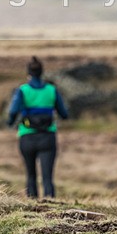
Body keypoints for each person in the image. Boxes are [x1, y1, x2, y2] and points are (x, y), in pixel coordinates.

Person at [6, 56, 69, 198]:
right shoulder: (52, 90)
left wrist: (10, 123)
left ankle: (32, 206)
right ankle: (51, 206)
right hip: (48, 137)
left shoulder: (22, 90)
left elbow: (13, 111)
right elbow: (64, 113)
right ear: (42, 73)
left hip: (27, 136)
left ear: (29, 74)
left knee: (30, 175)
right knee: (47, 177)